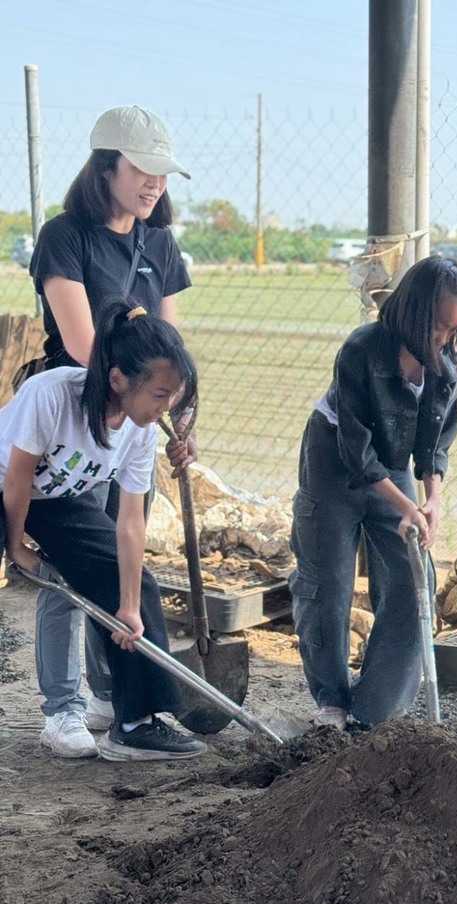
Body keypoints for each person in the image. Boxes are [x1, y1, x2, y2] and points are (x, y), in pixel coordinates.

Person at [27, 105, 192, 757]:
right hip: (72, 420)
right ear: (106, 167)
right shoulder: (66, 236)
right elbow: (79, 342)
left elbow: (170, 342)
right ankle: (62, 707)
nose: (154, 183)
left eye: (162, 173)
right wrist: (136, 400)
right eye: (142, 169)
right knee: (69, 570)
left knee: (124, 556)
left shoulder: (160, 243)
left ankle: (110, 694)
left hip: (135, 425)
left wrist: (176, 413)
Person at [0, 298, 205, 762]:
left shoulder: (141, 427)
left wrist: (129, 607)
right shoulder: (52, 394)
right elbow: (17, 478)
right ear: (118, 379)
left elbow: (130, 523)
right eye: (159, 394)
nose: (167, 407)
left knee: (131, 581)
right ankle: (61, 710)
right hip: (6, 484)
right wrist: (14, 547)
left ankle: (133, 723)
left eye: (173, 395)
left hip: (56, 500)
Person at [289, 255, 457, 730]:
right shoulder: (362, 349)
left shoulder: (445, 367)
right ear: (412, 310)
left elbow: (434, 444)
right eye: (436, 327)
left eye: (452, 331)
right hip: (335, 460)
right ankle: (331, 704)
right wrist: (407, 504)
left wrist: (430, 500)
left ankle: (373, 712)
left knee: (415, 580)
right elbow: (356, 450)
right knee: (327, 581)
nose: (442, 341)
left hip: (392, 471)